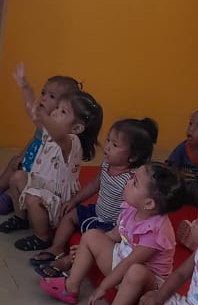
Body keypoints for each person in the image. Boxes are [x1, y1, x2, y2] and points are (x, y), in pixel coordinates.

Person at [37, 162, 183, 305]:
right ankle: (71, 287)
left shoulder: (155, 231)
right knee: (91, 235)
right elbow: (113, 235)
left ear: (149, 203)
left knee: (136, 271)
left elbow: (130, 263)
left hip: (144, 284)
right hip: (121, 264)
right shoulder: (131, 209)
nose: (128, 182)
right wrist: (86, 248)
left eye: (135, 182)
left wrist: (103, 286)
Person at [29, 117, 158, 277]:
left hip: (111, 226)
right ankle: (57, 247)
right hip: (96, 212)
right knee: (70, 215)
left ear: (132, 157)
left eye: (115, 145)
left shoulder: (131, 180)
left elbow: (132, 211)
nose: (107, 146)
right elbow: (94, 185)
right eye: (108, 140)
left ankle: (67, 262)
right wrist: (74, 201)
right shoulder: (106, 165)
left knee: (91, 242)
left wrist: (119, 232)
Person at [0, 65, 80, 223]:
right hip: (32, 160)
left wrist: (26, 88)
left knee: (20, 181)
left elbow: (33, 112)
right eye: (43, 93)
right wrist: (22, 155)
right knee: (13, 164)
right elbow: (34, 139)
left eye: (51, 96)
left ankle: (8, 197)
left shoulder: (60, 132)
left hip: (42, 174)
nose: (43, 98)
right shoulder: (44, 125)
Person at [8, 91, 103, 252]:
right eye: (57, 108)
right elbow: (34, 115)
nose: (55, 112)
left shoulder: (71, 142)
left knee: (33, 198)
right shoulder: (50, 132)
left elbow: (57, 134)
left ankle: (42, 238)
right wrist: (25, 88)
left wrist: (45, 116)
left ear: (77, 128)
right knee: (17, 177)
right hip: (41, 186)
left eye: (63, 111)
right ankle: (21, 218)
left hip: (58, 200)